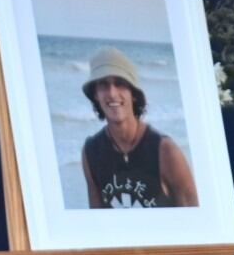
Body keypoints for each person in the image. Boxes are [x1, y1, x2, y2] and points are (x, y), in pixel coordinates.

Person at [80, 46, 199, 209]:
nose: (112, 93)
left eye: (120, 84)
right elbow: (96, 222)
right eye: (103, 85)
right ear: (95, 94)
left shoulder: (165, 151)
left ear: (133, 93)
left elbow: (193, 219)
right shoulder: (91, 152)